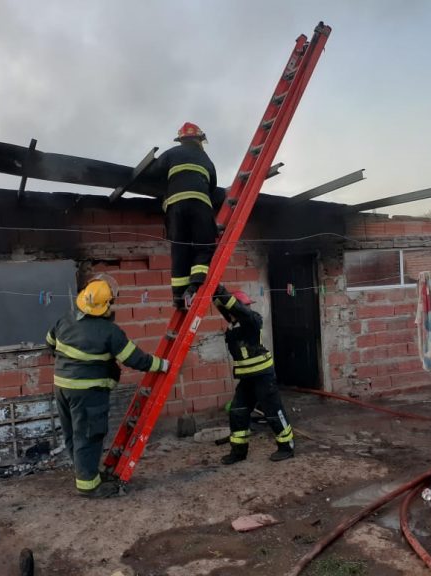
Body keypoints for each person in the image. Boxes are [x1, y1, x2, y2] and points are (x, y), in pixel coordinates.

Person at [46, 278, 169, 497]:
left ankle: (86, 473)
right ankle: (89, 486)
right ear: (107, 305)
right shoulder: (109, 331)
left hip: (61, 387)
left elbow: (50, 342)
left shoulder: (65, 319)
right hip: (88, 392)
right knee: (89, 435)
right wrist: (162, 364)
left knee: (73, 434)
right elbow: (135, 359)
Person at [213, 285, 294, 464]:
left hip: (263, 376)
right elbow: (224, 307)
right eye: (246, 305)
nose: (248, 308)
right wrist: (210, 291)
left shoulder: (252, 320)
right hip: (247, 378)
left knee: (273, 412)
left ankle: (286, 447)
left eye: (247, 306)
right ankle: (239, 451)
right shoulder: (232, 325)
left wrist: (220, 290)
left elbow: (239, 310)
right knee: (237, 411)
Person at [150, 122, 219, 309]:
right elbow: (212, 186)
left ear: (181, 140)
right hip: (200, 205)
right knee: (204, 246)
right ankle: (195, 285)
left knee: (179, 249)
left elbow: (153, 171)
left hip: (175, 208)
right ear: (199, 139)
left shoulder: (171, 153)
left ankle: (179, 298)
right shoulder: (206, 159)